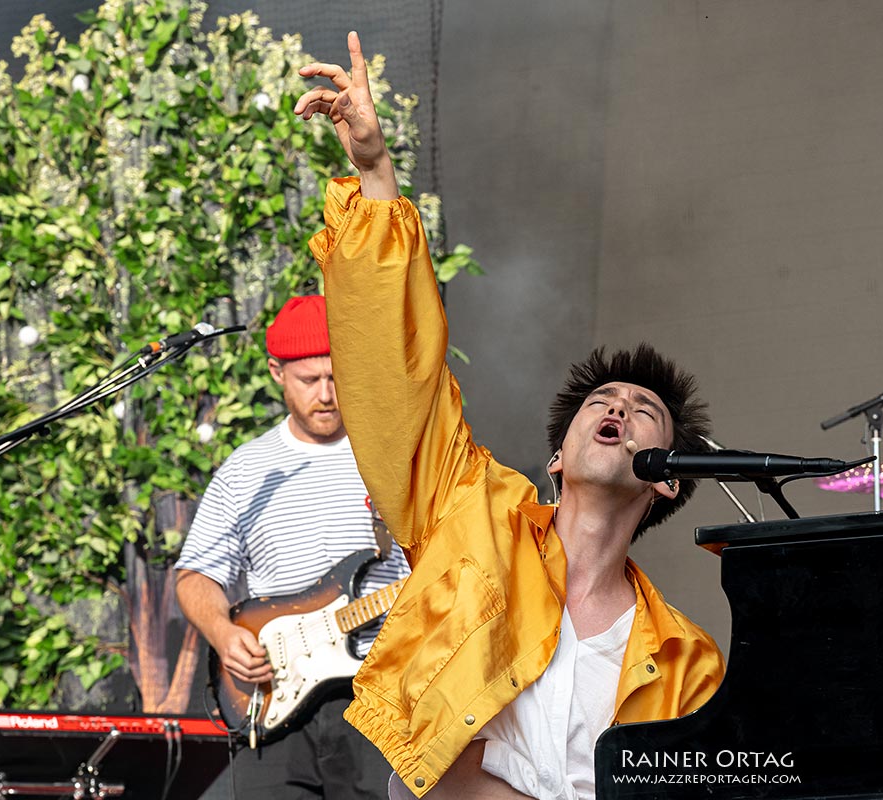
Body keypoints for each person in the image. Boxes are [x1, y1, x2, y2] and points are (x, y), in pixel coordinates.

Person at [293, 33, 726, 800]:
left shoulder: (687, 662)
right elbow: (401, 381)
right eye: (603, 401)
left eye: (644, 409)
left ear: (668, 480)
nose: (619, 407)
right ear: (557, 458)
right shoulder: (472, 516)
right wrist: (374, 172)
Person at [175, 294, 410, 800]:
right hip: (274, 696)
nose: (326, 394)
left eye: (337, 377)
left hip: (380, 693)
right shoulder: (245, 470)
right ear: (276, 372)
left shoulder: (395, 456)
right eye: (309, 380)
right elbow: (195, 575)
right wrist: (222, 634)